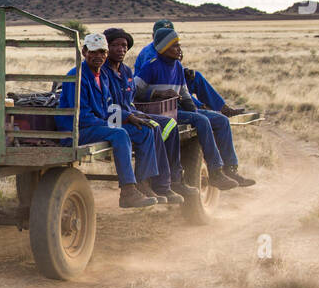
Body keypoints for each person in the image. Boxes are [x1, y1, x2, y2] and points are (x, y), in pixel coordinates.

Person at [133, 28, 254, 189]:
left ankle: (230, 168)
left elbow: (184, 91)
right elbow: (134, 90)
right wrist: (156, 93)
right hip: (161, 111)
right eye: (174, 46)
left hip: (177, 109)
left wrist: (193, 109)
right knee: (201, 120)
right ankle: (215, 171)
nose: (179, 50)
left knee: (221, 120)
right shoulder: (151, 67)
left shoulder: (176, 66)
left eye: (179, 45)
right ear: (163, 47)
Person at [56, 32, 159, 208]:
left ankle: (142, 183)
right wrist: (112, 125)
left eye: (102, 52)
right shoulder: (77, 76)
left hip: (96, 126)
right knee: (119, 134)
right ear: (84, 52)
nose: (99, 56)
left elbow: (108, 107)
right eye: (93, 52)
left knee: (145, 131)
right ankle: (127, 192)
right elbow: (82, 116)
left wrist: (128, 117)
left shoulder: (101, 76)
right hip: (76, 130)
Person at [101, 27, 195, 204]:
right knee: (147, 130)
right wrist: (131, 115)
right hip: (112, 118)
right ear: (106, 48)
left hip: (128, 113)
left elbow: (130, 99)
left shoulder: (127, 72)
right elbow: (106, 105)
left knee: (167, 124)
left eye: (124, 45)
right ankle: (145, 183)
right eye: (115, 45)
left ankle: (166, 183)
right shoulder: (103, 72)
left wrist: (135, 113)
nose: (121, 49)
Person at [136, 20, 246, 116]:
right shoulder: (150, 54)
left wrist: (184, 71)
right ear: (154, 36)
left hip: (169, 85)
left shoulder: (170, 49)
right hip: (154, 92)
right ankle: (200, 108)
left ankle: (222, 108)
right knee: (179, 91)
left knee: (195, 77)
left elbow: (171, 72)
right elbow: (160, 78)